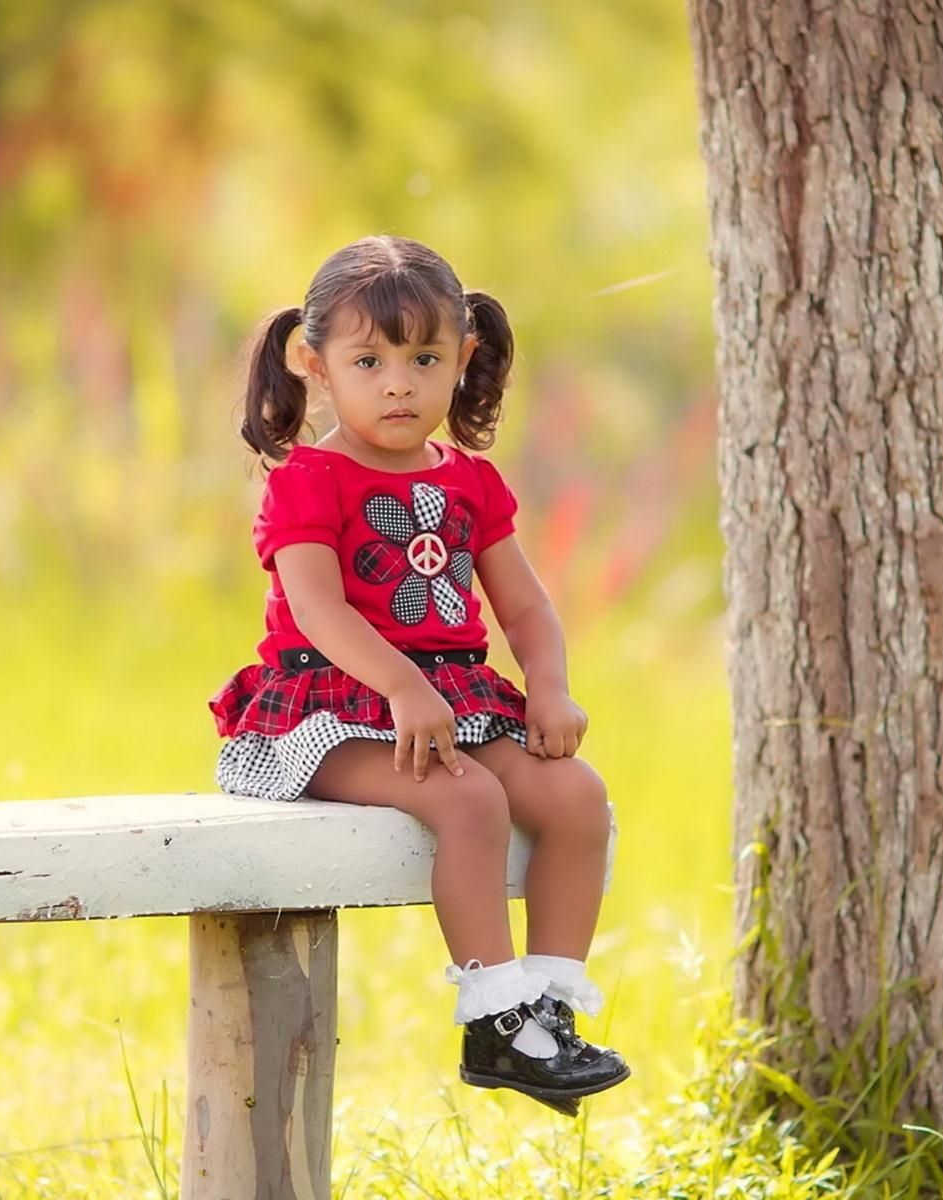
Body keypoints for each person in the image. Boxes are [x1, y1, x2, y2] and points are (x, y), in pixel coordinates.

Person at [206, 235, 630, 1116]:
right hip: (331, 707)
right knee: (468, 800)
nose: (398, 382)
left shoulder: (471, 481)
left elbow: (526, 609)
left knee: (578, 796)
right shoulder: (307, 481)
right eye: (370, 360)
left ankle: (549, 1010)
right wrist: (401, 685)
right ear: (316, 364)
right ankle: (494, 1020)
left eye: (423, 358)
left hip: (453, 697)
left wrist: (547, 687)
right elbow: (319, 610)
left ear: (463, 360)